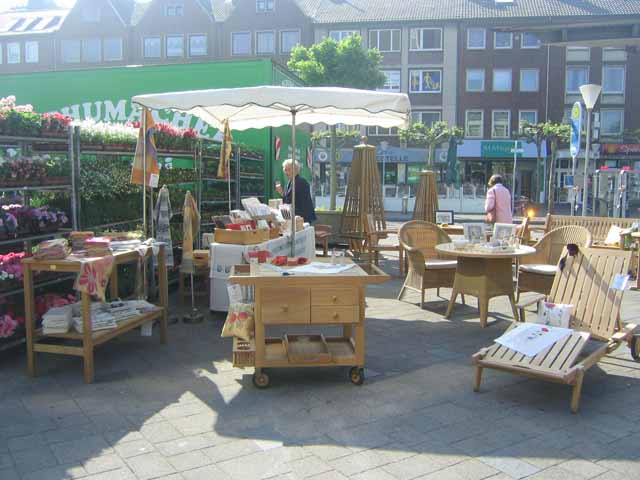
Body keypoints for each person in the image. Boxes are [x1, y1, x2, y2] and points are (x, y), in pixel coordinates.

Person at [275, 159, 317, 224]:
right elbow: (288, 200)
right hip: (295, 217)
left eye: (288, 170)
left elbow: (300, 203)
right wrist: (281, 193)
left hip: (303, 217)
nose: (286, 172)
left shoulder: (301, 182)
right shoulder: (289, 182)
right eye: (285, 170)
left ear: (295, 170)